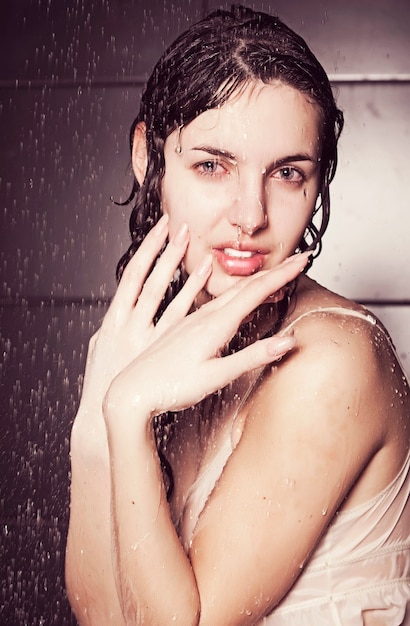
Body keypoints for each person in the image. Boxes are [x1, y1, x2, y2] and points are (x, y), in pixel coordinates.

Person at [65, 5, 410, 625]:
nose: (250, 215)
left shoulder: (331, 360)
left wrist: (120, 410)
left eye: (287, 173)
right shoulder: (170, 352)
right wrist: (98, 431)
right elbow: (104, 617)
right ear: (150, 158)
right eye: (212, 165)